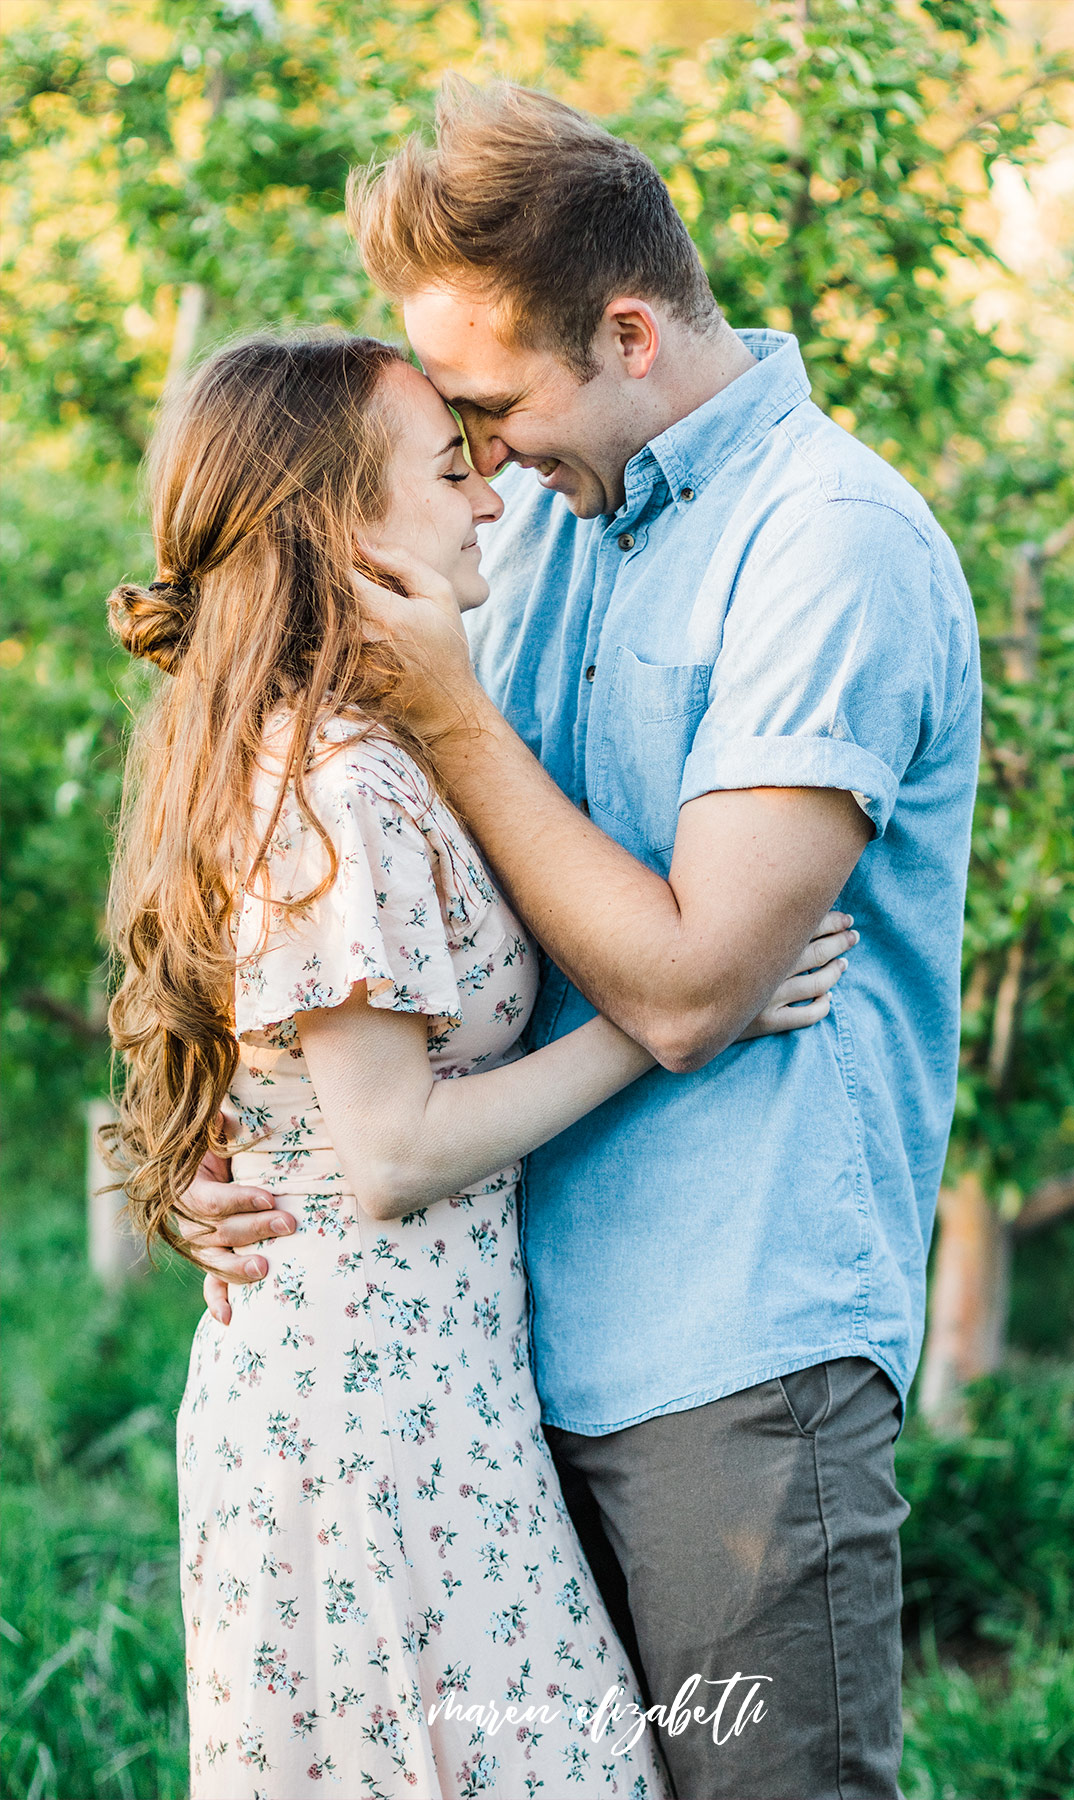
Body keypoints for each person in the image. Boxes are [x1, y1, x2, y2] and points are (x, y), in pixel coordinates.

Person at [190, 77, 981, 1800]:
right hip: (479, 1369)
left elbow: (700, 992)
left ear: (627, 333)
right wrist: (259, 1147)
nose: (479, 461)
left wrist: (452, 713)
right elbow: (309, 857)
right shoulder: (536, 523)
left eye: (492, 407)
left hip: (728, 1372)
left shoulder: (828, 549)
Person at [105, 332, 852, 1799]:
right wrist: (669, 1017)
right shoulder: (335, 780)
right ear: (340, 527)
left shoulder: (354, 750)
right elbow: (392, 1153)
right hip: (369, 1430)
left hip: (422, 1399)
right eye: (449, 473)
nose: (490, 500)